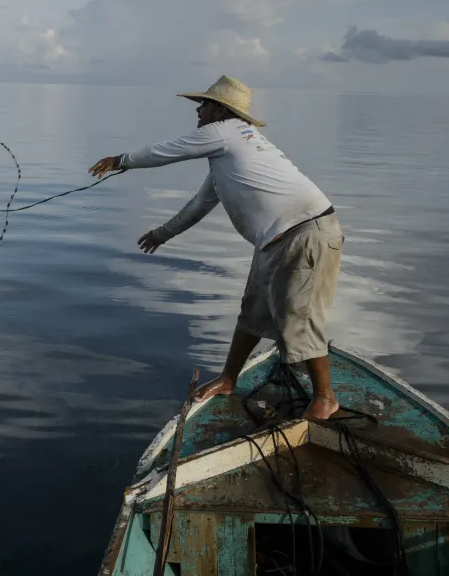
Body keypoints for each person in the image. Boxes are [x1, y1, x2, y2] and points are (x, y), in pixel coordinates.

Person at [89, 75, 345, 420]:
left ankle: (325, 398)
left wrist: (120, 160)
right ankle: (228, 378)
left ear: (220, 110)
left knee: (299, 316)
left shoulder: (224, 133)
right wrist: (162, 234)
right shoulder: (229, 151)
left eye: (204, 103)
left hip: (305, 233)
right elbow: (199, 204)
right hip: (277, 239)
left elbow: (167, 151)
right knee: (252, 312)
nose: (198, 109)